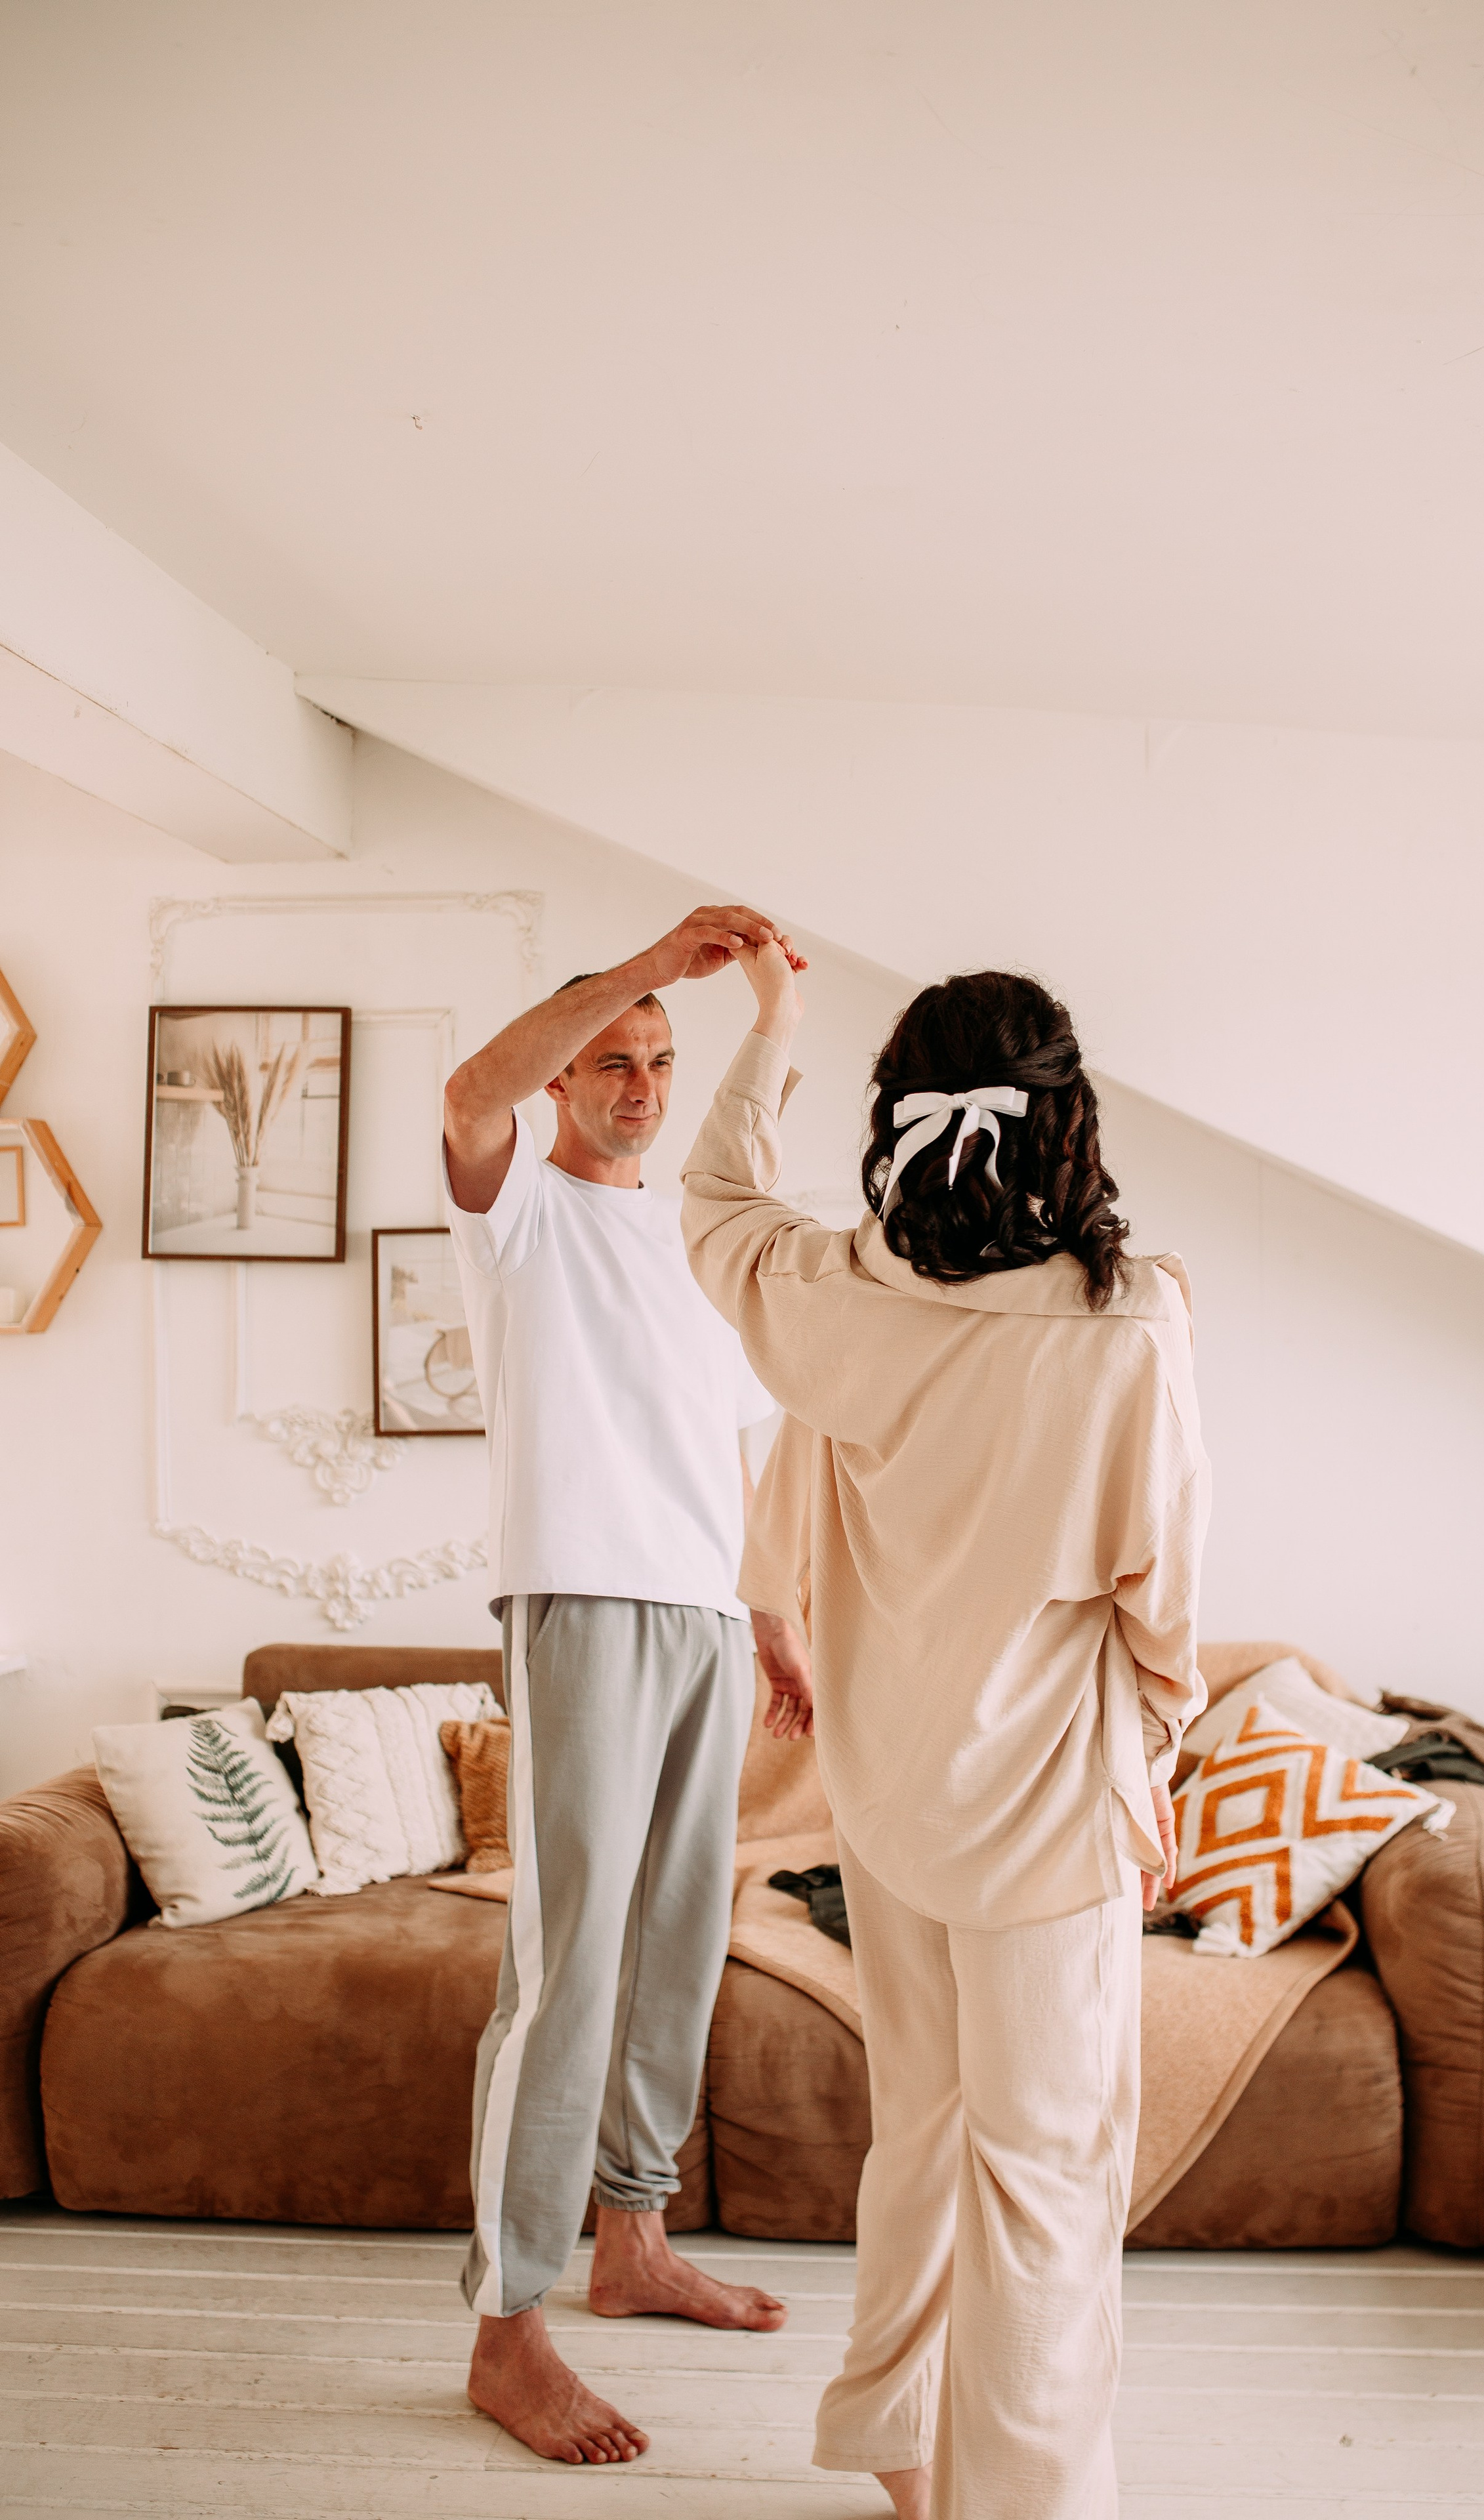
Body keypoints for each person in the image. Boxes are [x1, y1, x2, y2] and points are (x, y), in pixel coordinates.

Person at [682, 944, 1210, 2520]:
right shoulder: (1128, 1330)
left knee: (918, 2132)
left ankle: (899, 2458)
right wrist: (1153, 1761)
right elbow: (1160, 1606)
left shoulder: (831, 1298)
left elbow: (711, 1196)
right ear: (1065, 1124)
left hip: (887, 1797)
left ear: (898, 1116)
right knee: (1041, 2176)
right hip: (1046, 1810)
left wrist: (769, 1024)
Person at [440, 904, 818, 2468]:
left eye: (660, 1061)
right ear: (567, 1072)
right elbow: (469, 1093)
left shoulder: (695, 1246)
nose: (644, 1082)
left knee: (676, 1942)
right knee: (566, 1969)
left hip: (703, 1620)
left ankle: (631, 2240)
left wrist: (772, 1613)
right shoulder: (514, 1207)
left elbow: (734, 1455)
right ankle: (506, 2329)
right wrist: (651, 965)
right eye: (614, 1056)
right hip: (580, 1604)